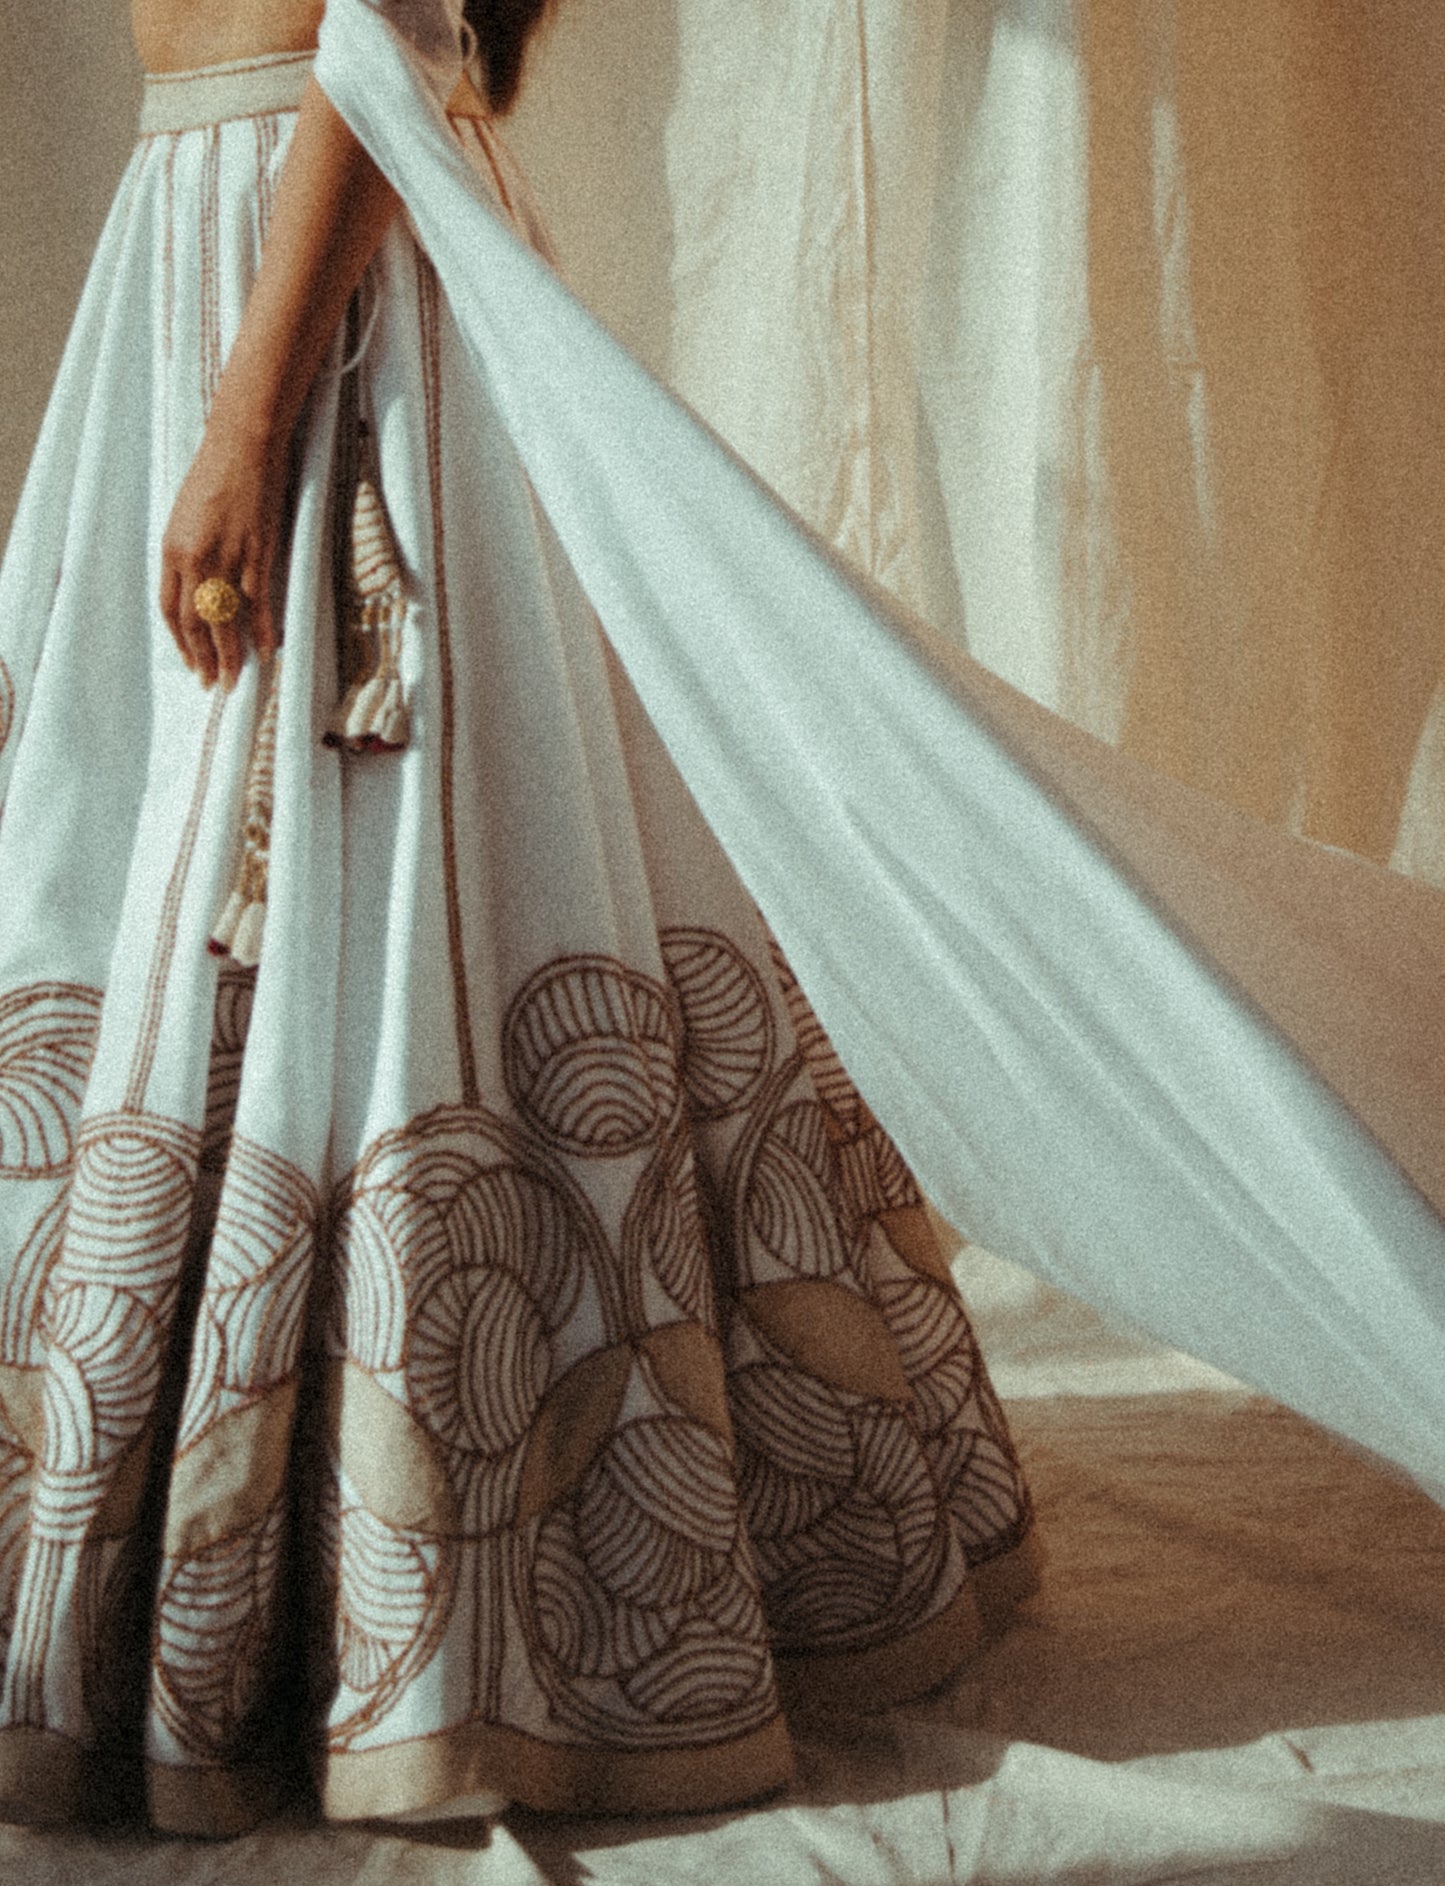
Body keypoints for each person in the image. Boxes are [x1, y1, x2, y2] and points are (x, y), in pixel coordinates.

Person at [0, 0, 1037, 1836]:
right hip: (202, 236)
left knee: (395, 914)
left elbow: (383, 24)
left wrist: (252, 408)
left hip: (319, 277)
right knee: (159, 864)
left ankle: (444, 1616)